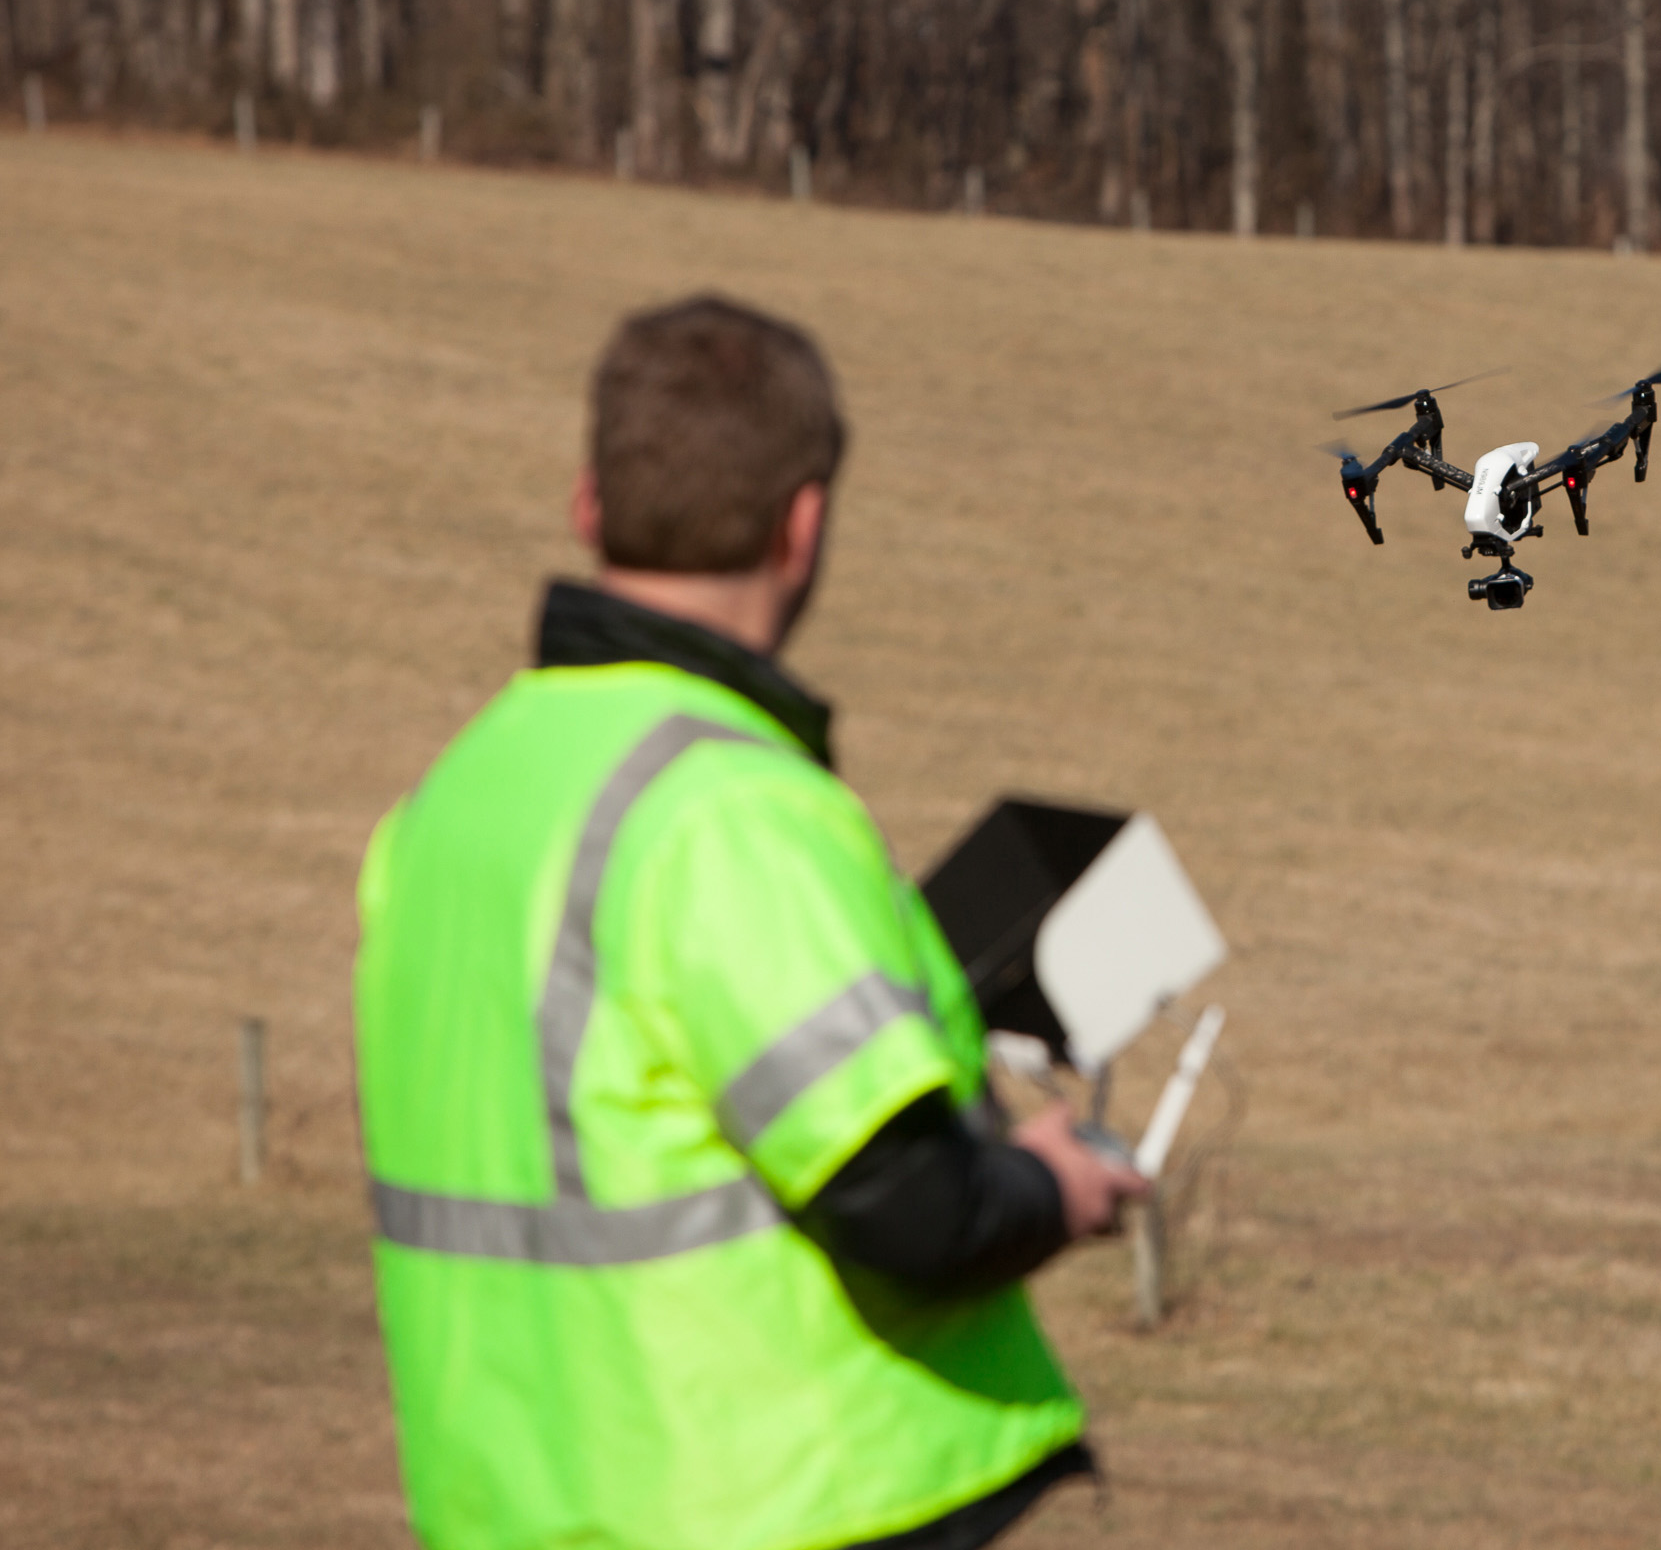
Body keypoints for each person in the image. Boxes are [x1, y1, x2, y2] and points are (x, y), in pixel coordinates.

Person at [355, 293, 1145, 1550]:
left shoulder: (449, 799)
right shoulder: (729, 810)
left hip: (510, 1503)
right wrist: (1052, 1184)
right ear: (803, 524)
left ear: (588, 505)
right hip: (766, 1499)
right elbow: (906, 1201)